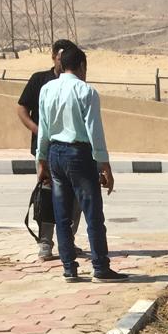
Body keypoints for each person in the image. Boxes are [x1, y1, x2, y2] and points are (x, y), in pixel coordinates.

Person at [36, 45, 128, 283]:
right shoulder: (86, 91)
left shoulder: (47, 89)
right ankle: (100, 267)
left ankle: (69, 268)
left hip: (55, 153)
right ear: (81, 66)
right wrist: (104, 165)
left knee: (62, 215)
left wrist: (41, 159)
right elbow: (95, 131)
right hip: (79, 154)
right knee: (92, 213)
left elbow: (43, 129)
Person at [16, 38, 82, 261]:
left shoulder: (76, 83)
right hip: (45, 149)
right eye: (60, 57)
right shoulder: (40, 80)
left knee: (75, 196)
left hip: (71, 150)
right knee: (47, 193)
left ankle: (68, 240)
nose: (62, 61)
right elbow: (22, 108)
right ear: (53, 57)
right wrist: (37, 130)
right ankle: (45, 241)